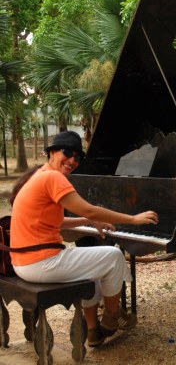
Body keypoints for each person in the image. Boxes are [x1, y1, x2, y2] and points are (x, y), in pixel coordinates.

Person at [9, 130, 159, 347]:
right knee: (114, 256)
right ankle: (113, 315)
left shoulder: (38, 176)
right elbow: (91, 210)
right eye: (67, 153)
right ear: (51, 152)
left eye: (78, 157)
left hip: (24, 262)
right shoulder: (53, 177)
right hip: (40, 262)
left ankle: (93, 332)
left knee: (94, 273)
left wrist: (87, 222)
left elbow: (56, 223)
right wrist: (133, 219)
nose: (72, 160)